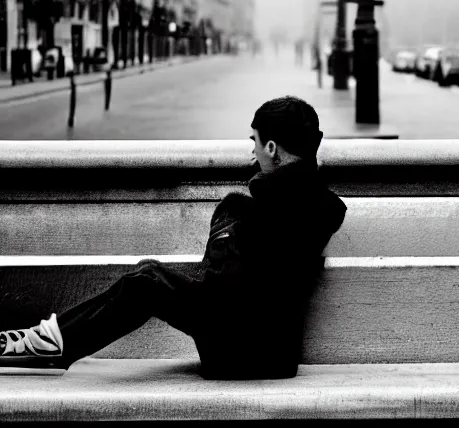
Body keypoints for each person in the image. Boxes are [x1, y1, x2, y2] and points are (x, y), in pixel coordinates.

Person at [0, 96, 347, 379]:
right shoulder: (317, 207)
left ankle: (47, 344)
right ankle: (50, 342)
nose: (251, 154)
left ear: (272, 147)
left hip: (240, 352)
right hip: (270, 350)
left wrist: (233, 216)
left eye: (255, 144)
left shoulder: (261, 210)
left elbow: (223, 288)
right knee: (148, 275)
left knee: (145, 283)